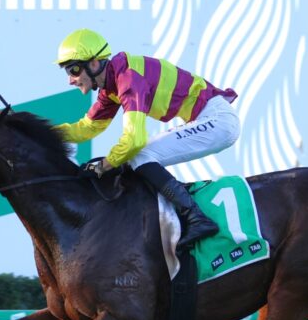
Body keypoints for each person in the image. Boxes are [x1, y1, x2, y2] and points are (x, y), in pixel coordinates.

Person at [52, 28, 240, 251]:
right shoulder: (111, 86)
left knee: (139, 154)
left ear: (94, 64)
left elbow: (134, 139)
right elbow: (87, 128)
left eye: (73, 70)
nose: (70, 80)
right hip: (209, 118)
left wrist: (103, 166)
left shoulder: (128, 78)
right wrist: (42, 131)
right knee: (135, 157)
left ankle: (195, 217)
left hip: (217, 120)